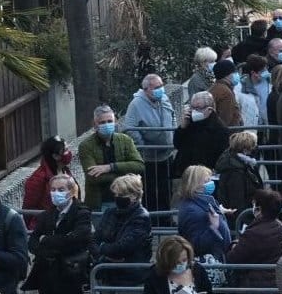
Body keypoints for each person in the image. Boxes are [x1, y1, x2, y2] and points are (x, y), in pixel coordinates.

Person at [122, 73, 175, 215]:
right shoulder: (135, 105)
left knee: (166, 189)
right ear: (146, 89)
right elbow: (130, 128)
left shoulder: (164, 99)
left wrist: (173, 136)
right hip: (149, 157)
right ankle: (151, 218)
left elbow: (173, 116)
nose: (161, 90)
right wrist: (143, 145)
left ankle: (165, 218)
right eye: (157, 87)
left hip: (167, 154)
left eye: (161, 86)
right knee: (150, 190)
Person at [78, 105, 146, 214]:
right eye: (102, 122)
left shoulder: (125, 140)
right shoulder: (86, 146)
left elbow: (139, 165)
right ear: (95, 125)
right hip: (100, 202)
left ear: (115, 122)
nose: (107, 125)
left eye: (110, 121)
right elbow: (93, 177)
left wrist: (110, 167)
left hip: (127, 198)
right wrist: (125, 176)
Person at [173, 91, 231, 178]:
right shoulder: (189, 122)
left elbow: (221, 155)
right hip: (185, 172)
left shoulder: (219, 129)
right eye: (192, 107)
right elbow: (177, 144)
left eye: (198, 108)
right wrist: (182, 127)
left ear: (209, 109)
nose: (194, 111)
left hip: (205, 174)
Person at [22, 136, 73, 231]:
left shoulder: (64, 170)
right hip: (47, 227)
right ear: (55, 156)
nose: (69, 153)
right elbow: (29, 208)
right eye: (65, 150)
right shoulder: (38, 179)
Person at [213, 131, 263, 224]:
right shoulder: (235, 171)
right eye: (253, 146)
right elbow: (237, 201)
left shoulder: (242, 165)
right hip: (241, 219)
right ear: (245, 149)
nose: (255, 149)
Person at [208, 60, 243, 127]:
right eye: (234, 72)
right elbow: (225, 119)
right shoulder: (226, 92)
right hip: (228, 134)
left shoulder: (215, 87)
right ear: (227, 74)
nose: (237, 74)